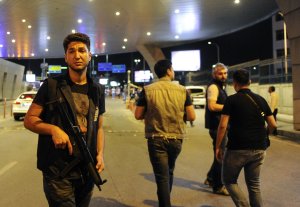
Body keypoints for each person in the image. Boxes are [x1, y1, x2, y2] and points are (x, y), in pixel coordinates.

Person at [24, 33, 105, 207]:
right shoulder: (52, 86)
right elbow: (29, 119)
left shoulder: (97, 90)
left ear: (89, 56)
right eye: (72, 51)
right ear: (66, 57)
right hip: (58, 172)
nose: (77, 55)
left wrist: (100, 154)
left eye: (82, 50)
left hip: (87, 170)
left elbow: (99, 127)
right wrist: (53, 129)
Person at [134, 59, 196, 207]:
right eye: (172, 69)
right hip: (176, 138)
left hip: (156, 138)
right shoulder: (183, 90)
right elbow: (192, 116)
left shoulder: (148, 90)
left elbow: (138, 114)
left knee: (162, 177)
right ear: (169, 71)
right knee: (169, 171)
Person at [216, 69, 277, 207]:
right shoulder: (261, 99)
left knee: (229, 181)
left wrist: (218, 146)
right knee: (254, 184)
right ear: (249, 81)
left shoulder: (231, 100)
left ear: (234, 83)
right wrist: (265, 134)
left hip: (237, 148)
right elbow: (273, 124)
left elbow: (222, 126)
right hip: (259, 148)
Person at [204, 63, 229, 195]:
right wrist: (229, 107)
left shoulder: (220, 87)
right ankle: (218, 186)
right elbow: (212, 106)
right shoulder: (214, 87)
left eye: (225, 73)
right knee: (221, 155)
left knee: (218, 154)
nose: (223, 76)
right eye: (220, 73)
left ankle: (210, 178)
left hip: (220, 125)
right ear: (214, 74)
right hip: (217, 126)